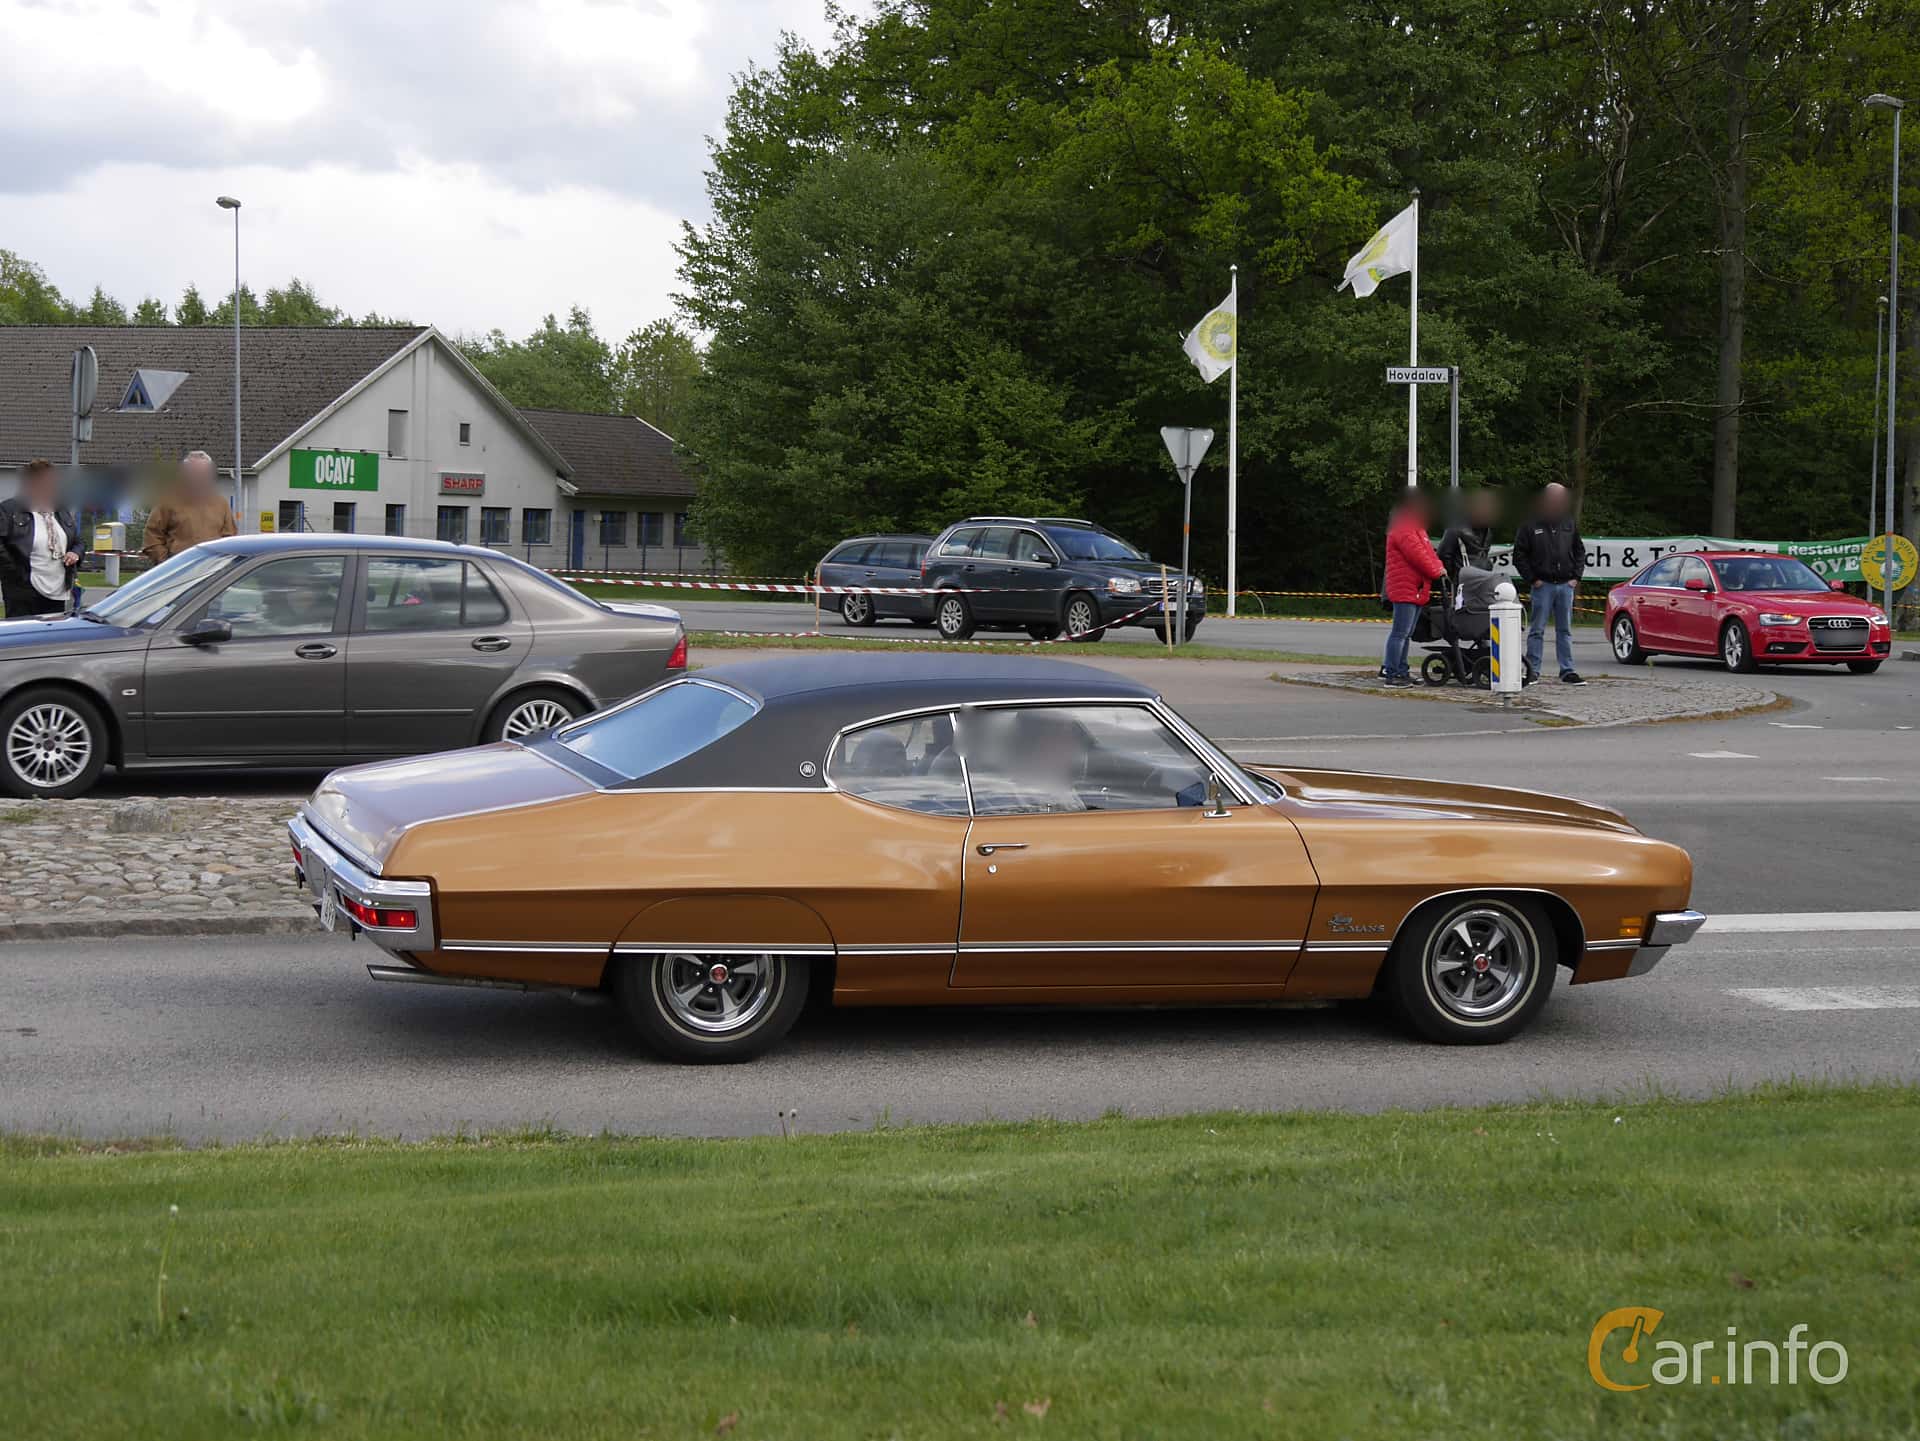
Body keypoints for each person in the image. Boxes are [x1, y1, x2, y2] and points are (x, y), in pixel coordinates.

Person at [1512, 482, 1585, 685]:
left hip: (1565, 585)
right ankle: (1533, 670)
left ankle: (1567, 670)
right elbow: (1519, 555)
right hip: (1542, 585)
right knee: (1537, 630)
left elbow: (1579, 550)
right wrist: (1533, 579)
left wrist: (1576, 577)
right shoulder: (1530, 524)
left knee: (1565, 630)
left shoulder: (1569, 522)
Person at [0, 459, 82, 619]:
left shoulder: (60, 510)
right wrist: (16, 572)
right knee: (24, 638)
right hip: (23, 592)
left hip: (57, 590)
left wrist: (75, 553)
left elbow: (78, 541)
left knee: (50, 639)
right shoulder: (9, 510)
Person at [1380, 490, 1445, 688]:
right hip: (1405, 587)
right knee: (1400, 633)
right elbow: (1417, 555)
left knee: (1406, 633)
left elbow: (1428, 552)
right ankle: (1391, 673)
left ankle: (1401, 670)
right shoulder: (1404, 528)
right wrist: (1437, 571)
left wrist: (1440, 567)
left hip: (1416, 588)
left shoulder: (1417, 528)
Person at [142, 450, 236, 564]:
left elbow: (230, 538)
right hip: (179, 570)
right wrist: (166, 562)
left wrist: (221, 563)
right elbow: (152, 536)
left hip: (211, 571)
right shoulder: (168, 501)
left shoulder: (221, 503)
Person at [1438, 488, 1498, 579]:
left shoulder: (1487, 530)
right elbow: (1443, 554)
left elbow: (1483, 553)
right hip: (1464, 581)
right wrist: (1455, 575)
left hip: (1485, 579)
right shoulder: (1455, 528)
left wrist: (1487, 566)